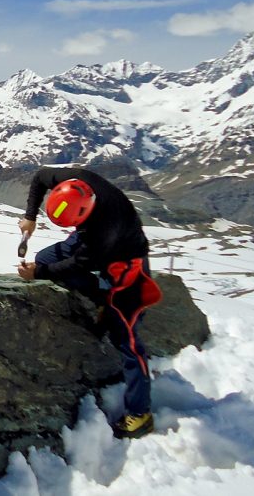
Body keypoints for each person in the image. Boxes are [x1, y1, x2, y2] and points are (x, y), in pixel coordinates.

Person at [16, 167, 162, 439]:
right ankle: (101, 298)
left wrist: (38, 273)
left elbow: (79, 263)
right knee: (47, 257)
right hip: (87, 239)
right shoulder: (78, 181)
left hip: (126, 259)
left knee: (126, 337)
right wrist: (30, 217)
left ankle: (140, 414)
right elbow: (39, 177)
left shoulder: (105, 232)